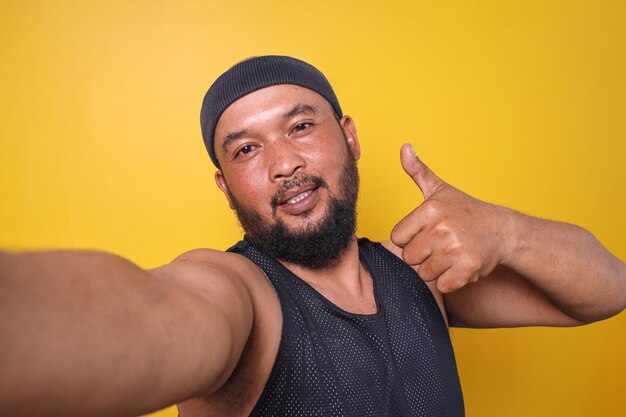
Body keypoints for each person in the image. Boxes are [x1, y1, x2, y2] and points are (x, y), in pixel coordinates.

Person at [1, 55, 625, 417]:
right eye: (246, 148)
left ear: (349, 136)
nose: (282, 164)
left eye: (300, 126)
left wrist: (508, 231)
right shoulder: (239, 296)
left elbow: (608, 289)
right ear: (225, 186)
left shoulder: (423, 273)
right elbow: (145, 314)